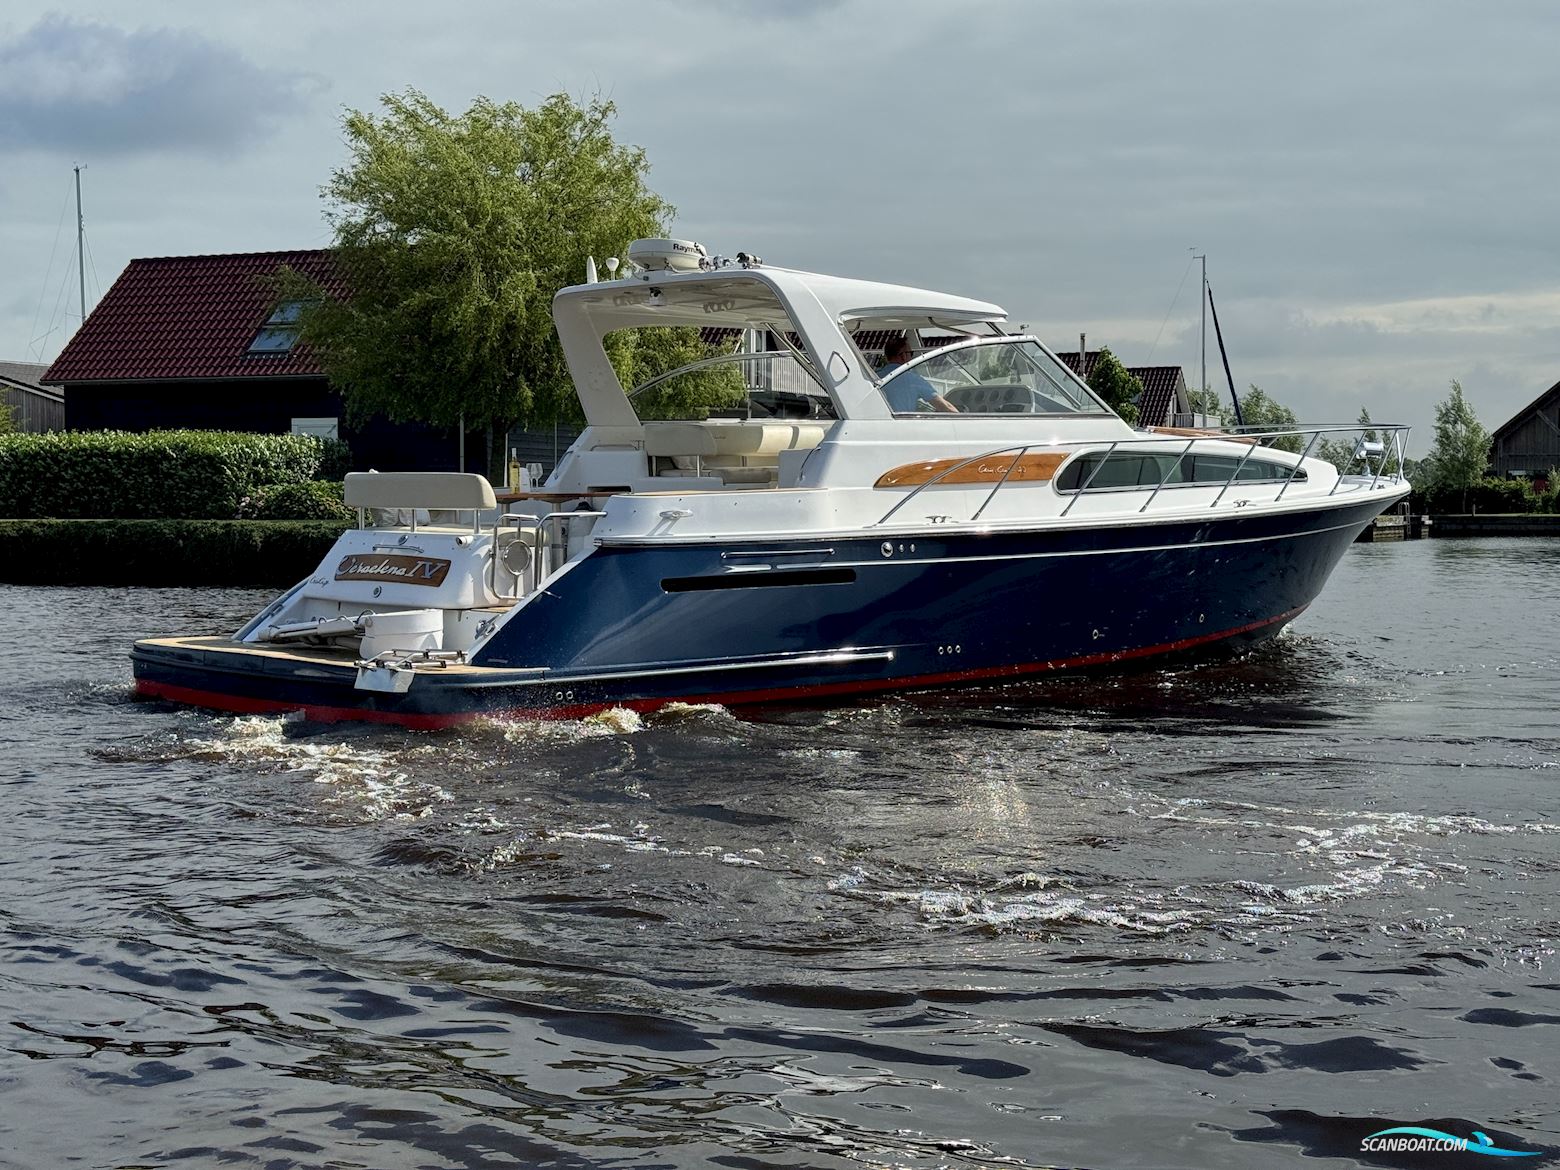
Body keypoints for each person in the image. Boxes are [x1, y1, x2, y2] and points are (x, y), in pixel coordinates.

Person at [876, 337, 958, 413]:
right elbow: (944, 406)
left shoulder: (874, 377)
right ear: (903, 356)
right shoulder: (912, 379)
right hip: (903, 425)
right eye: (911, 353)